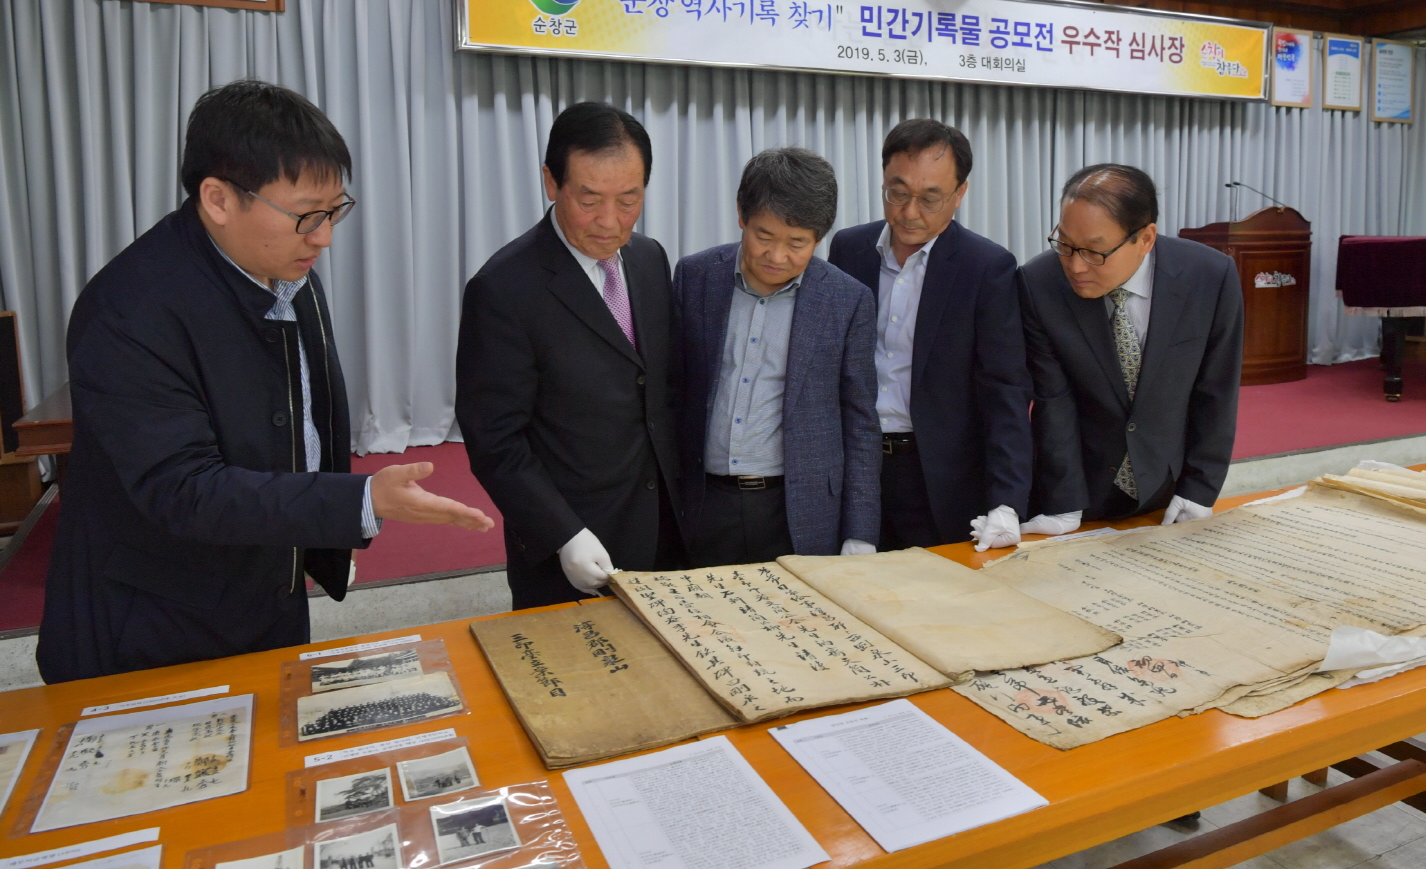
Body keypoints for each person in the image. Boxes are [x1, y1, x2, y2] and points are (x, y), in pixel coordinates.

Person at [36, 81, 492, 684]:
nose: (324, 236)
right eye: (306, 215)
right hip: (151, 623)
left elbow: (300, 420)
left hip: (267, 591)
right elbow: (182, 488)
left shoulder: (286, 271)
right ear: (218, 199)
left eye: (335, 211)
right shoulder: (128, 310)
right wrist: (358, 500)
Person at [456, 101, 683, 608]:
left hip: (662, 529)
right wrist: (563, 534)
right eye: (589, 199)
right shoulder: (504, 288)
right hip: (575, 545)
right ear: (551, 182)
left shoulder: (649, 259)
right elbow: (495, 440)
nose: (609, 221)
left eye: (629, 200)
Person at [828, 119, 1032, 551]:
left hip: (936, 476)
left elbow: (1005, 390)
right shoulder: (849, 250)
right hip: (854, 465)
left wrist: (1007, 501)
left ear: (960, 193)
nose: (909, 212)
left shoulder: (985, 267)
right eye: (897, 193)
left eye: (930, 198)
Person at [672, 147, 880, 566]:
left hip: (799, 508)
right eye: (764, 236)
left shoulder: (847, 300)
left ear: (818, 239)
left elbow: (860, 421)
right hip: (704, 501)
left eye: (797, 243)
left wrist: (860, 532)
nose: (777, 256)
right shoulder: (695, 276)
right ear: (741, 214)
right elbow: (672, 390)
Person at [1016, 163, 1243, 531]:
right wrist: (1065, 503)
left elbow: (1217, 390)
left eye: (1094, 251)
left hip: (1168, 486)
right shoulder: (1039, 283)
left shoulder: (1210, 276)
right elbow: (1053, 401)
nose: (1075, 266)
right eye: (1065, 244)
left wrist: (1199, 489)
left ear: (1146, 238)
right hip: (1078, 484)